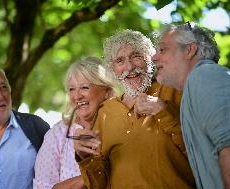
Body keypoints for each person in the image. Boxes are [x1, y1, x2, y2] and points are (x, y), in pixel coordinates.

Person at [73, 29, 196, 189]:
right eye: (120, 60)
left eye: (136, 56)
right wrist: (86, 157)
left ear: (151, 59)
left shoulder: (173, 91)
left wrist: (163, 111)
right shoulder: (105, 112)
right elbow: (100, 185)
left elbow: (200, 152)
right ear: (112, 69)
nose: (129, 67)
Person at [153, 23, 230, 189]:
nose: (154, 57)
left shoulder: (205, 75)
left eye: (163, 50)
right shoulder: (193, 88)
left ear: (189, 50)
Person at [33, 57, 115, 189]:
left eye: (84, 87)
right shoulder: (57, 135)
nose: (77, 96)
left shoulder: (121, 128)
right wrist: (89, 176)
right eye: (71, 89)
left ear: (107, 91)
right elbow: (42, 187)